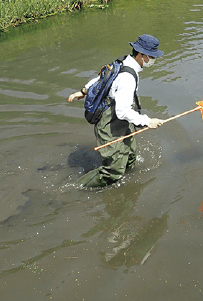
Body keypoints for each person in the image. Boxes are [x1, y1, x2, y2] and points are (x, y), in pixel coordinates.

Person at [68, 34, 166, 188]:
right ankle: (77, 188)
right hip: (110, 123)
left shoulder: (122, 62)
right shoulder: (128, 77)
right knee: (113, 171)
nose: (153, 60)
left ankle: (123, 182)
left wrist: (84, 90)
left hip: (121, 121)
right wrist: (148, 121)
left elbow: (102, 77)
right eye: (152, 56)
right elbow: (122, 111)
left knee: (130, 157)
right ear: (141, 55)